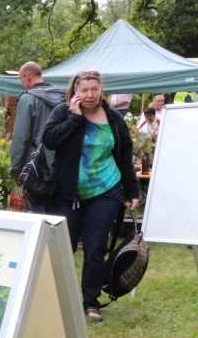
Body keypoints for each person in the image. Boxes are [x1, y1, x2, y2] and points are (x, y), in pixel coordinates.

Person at [42, 70, 140, 323]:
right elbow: (49, 140)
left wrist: (131, 191)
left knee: (95, 248)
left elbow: (124, 156)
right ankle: (56, 298)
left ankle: (90, 302)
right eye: (83, 90)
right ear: (75, 92)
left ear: (101, 90)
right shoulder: (62, 112)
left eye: (93, 89)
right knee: (65, 247)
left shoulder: (114, 119)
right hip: (67, 194)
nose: (89, 94)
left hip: (105, 192)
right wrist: (75, 119)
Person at [12, 61, 64, 212]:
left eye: (21, 78)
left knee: (37, 213)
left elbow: (21, 137)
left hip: (36, 166)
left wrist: (16, 169)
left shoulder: (28, 98)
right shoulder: (62, 96)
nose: (21, 83)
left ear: (28, 76)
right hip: (61, 162)